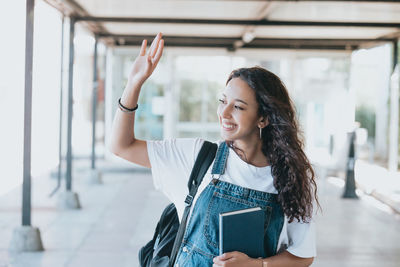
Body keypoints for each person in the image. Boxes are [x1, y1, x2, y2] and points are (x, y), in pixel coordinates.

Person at [110, 32, 320, 267]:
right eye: (223, 101)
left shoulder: (291, 178)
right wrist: (134, 84)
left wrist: (257, 265)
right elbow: (122, 146)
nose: (224, 113)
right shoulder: (197, 157)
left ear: (263, 118)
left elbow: (302, 255)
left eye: (238, 107)